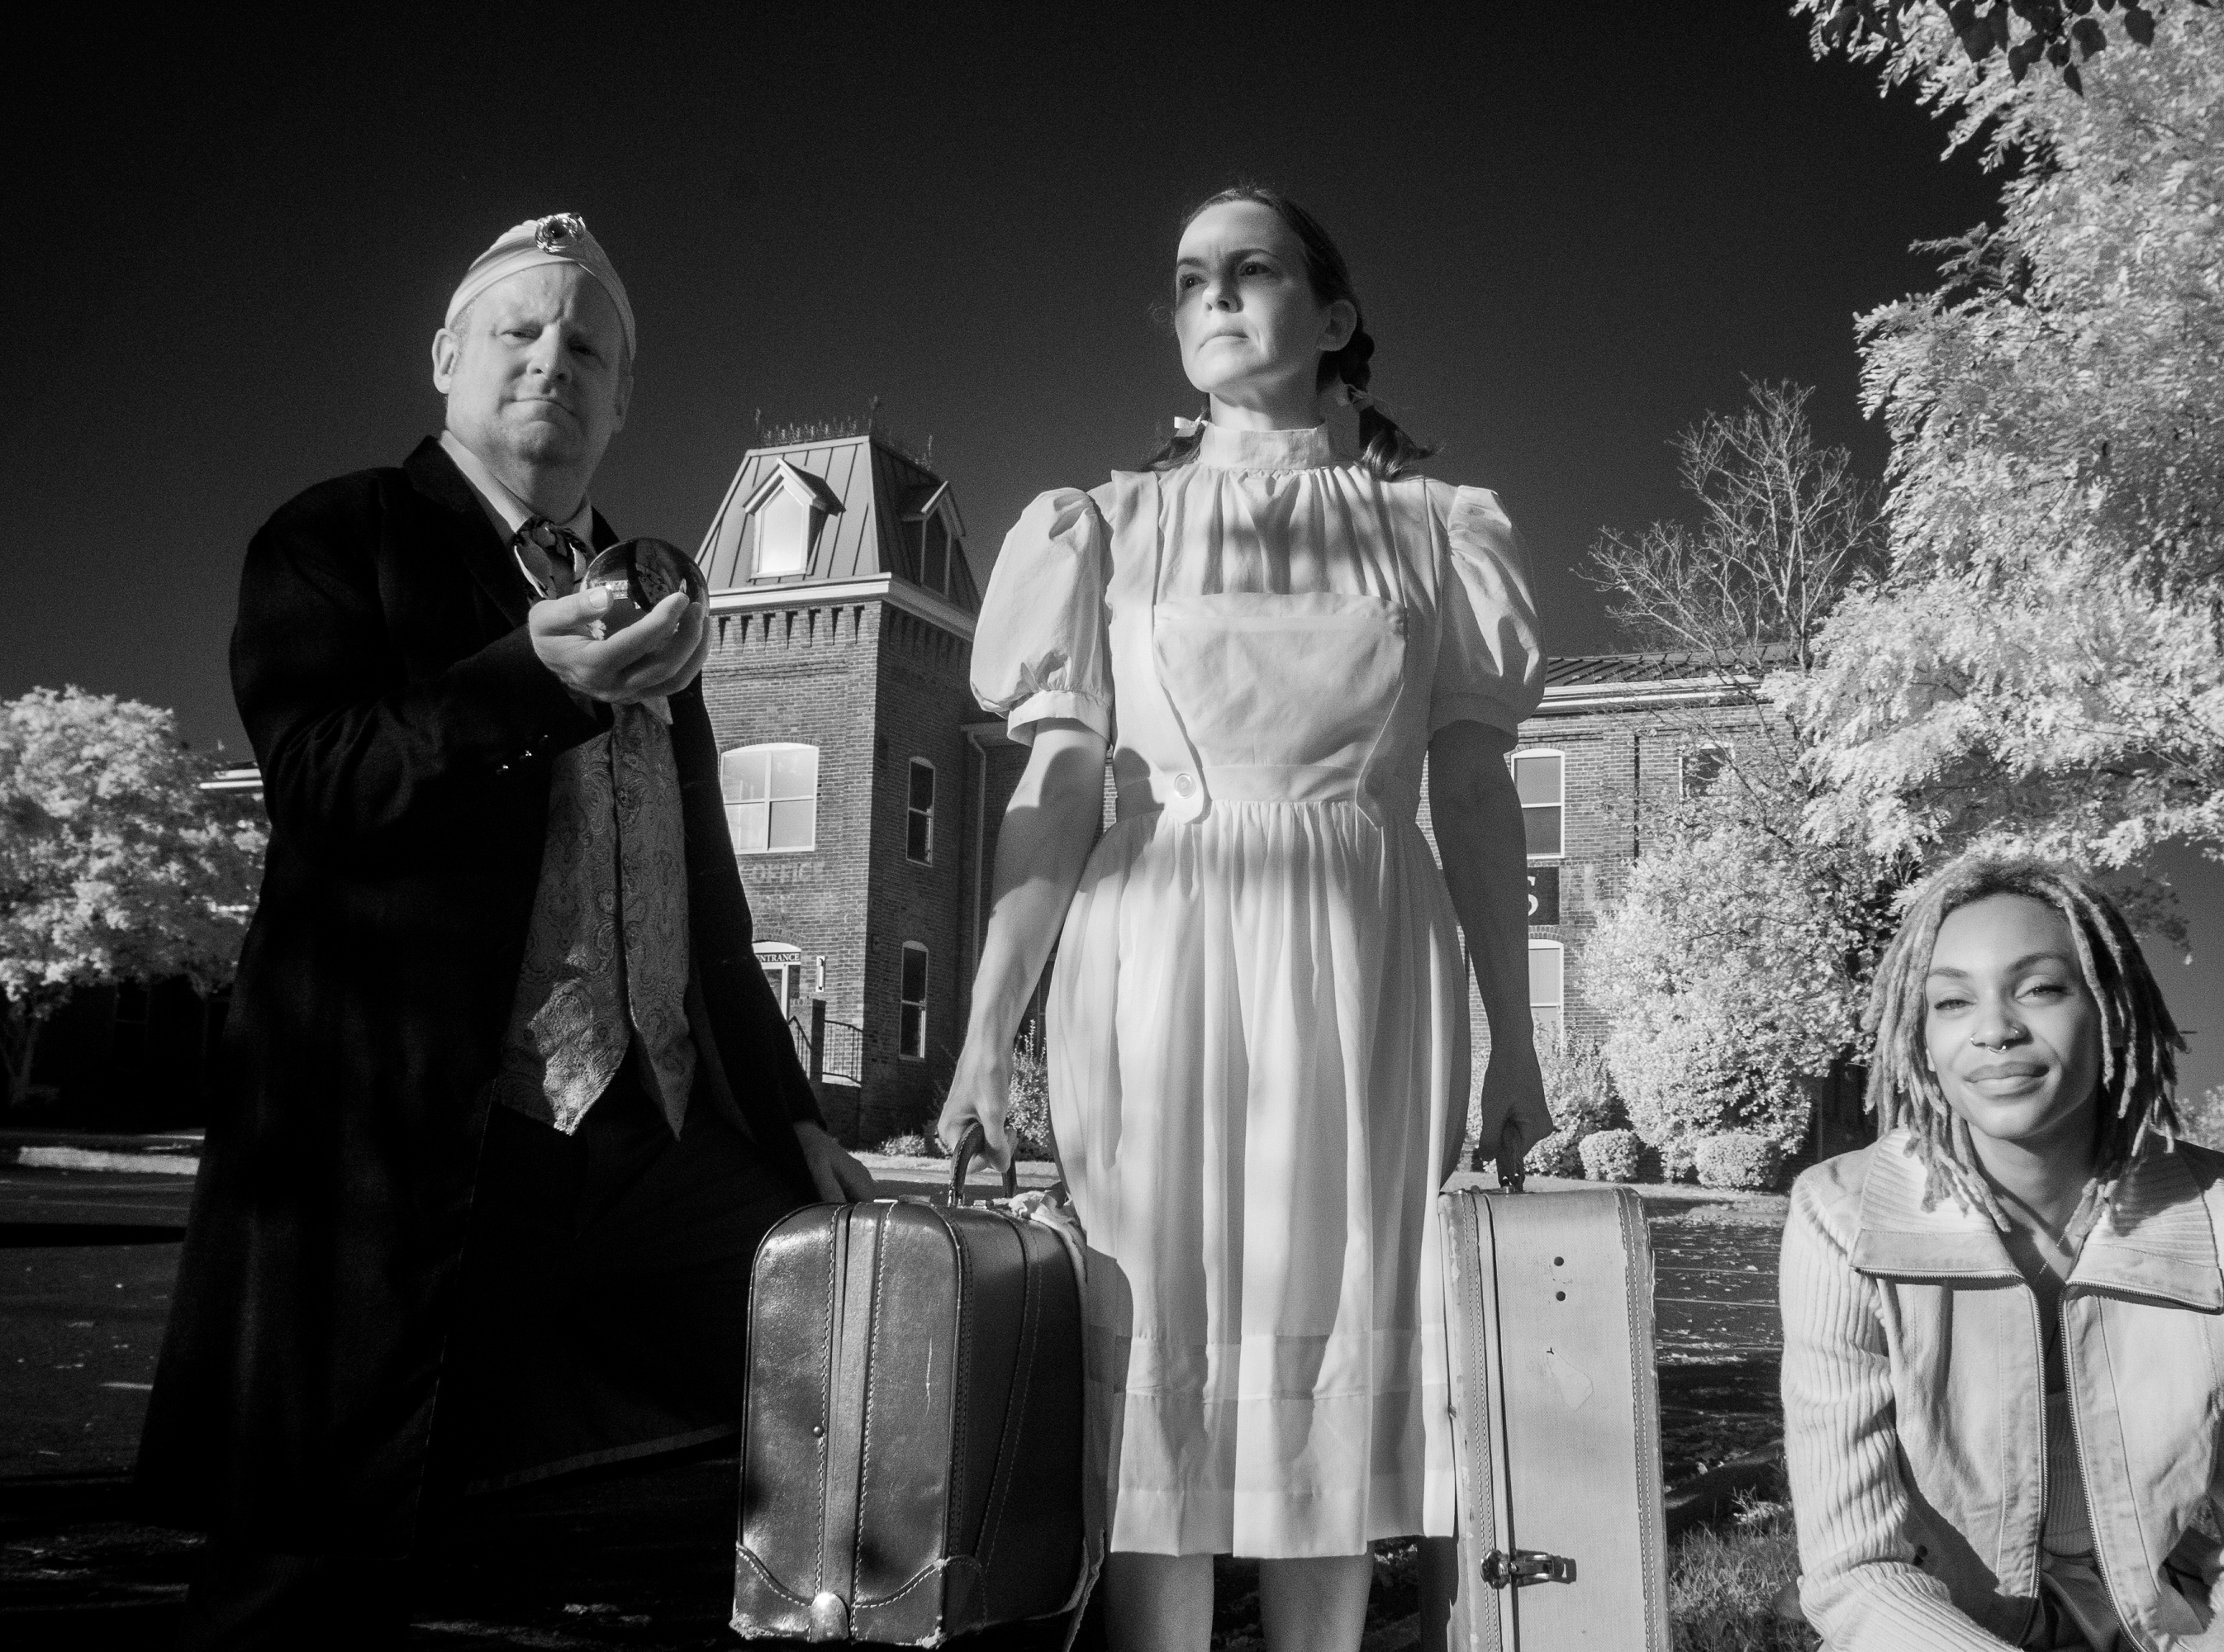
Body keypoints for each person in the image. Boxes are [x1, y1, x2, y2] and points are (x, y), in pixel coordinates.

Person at [138, 213, 872, 1651]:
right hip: (430, 1143)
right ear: (444, 362)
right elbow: (323, 784)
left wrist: (788, 1119)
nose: (554, 361)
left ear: (621, 396)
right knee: (315, 1549)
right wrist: (520, 682)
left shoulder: (650, 585)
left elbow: (707, 899)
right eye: (518, 334)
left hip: (659, 1144)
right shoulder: (339, 535)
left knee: (845, 1379)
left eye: (586, 345)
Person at [936, 186, 1552, 1652]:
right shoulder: (1104, 525)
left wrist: (1512, 1043)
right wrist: (982, 1036)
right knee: (1161, 1357)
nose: (1212, 294)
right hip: (1153, 958)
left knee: (1323, 1359)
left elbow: (1471, 803)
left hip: (1361, 959)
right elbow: (1057, 789)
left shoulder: (1434, 532)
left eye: (1250, 269)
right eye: (1187, 277)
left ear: (1331, 320)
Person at [1780, 854, 2224, 1650]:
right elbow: (1858, 1571)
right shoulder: (1840, 1218)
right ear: (1923, 1037)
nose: (1995, 1028)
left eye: (2039, 988)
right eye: (1951, 1000)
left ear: (2109, 1008)